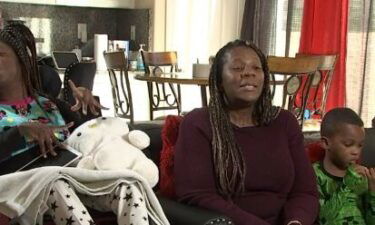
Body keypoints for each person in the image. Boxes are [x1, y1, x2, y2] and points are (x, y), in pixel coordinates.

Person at [0, 23, 167, 225]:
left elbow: (83, 137)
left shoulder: (48, 104)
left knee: (127, 184)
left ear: (22, 60)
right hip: (20, 188)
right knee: (55, 182)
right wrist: (19, 132)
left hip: (73, 175)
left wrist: (86, 110)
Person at [174, 40, 318, 225]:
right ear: (219, 82)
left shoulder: (284, 122)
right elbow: (197, 195)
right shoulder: (198, 124)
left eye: (257, 68)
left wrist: (296, 222)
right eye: (237, 68)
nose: (249, 73)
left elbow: (304, 191)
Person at [313, 107, 375, 225]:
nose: (356, 152)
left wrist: (373, 194)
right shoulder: (314, 174)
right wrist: (346, 186)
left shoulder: (361, 176)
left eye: (360, 145)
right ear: (326, 143)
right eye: (348, 144)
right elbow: (323, 219)